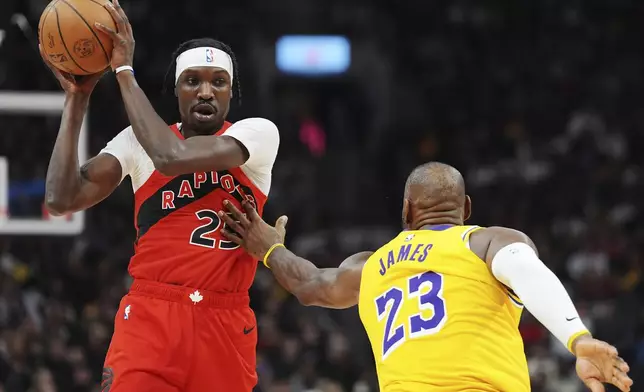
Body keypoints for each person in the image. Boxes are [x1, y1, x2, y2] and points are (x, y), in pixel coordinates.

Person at [219, 162, 633, 392]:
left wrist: (270, 249)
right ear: (466, 209)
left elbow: (311, 286)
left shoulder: (370, 265)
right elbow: (528, 272)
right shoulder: (484, 242)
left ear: (406, 211)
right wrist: (577, 337)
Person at [40, 0, 279, 390]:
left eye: (218, 81)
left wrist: (123, 70)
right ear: (176, 90)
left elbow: (171, 157)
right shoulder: (136, 142)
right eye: (192, 81)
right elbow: (61, 199)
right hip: (151, 316)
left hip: (224, 320)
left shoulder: (258, 134)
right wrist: (77, 99)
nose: (205, 91)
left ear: (232, 92)